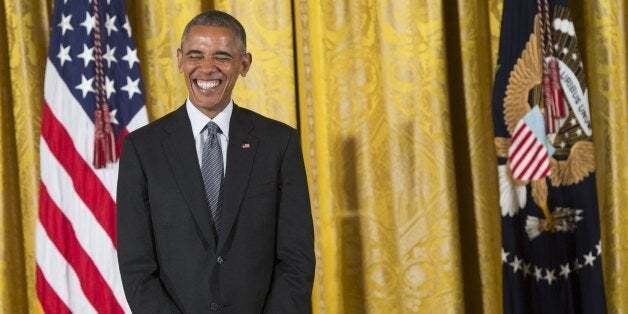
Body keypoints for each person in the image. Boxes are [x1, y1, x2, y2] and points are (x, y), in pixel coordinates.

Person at [116, 10, 315, 313]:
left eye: (222, 57)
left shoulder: (280, 143)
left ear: (244, 64)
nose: (207, 68)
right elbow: (136, 266)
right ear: (180, 59)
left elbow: (296, 259)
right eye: (196, 55)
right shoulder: (142, 149)